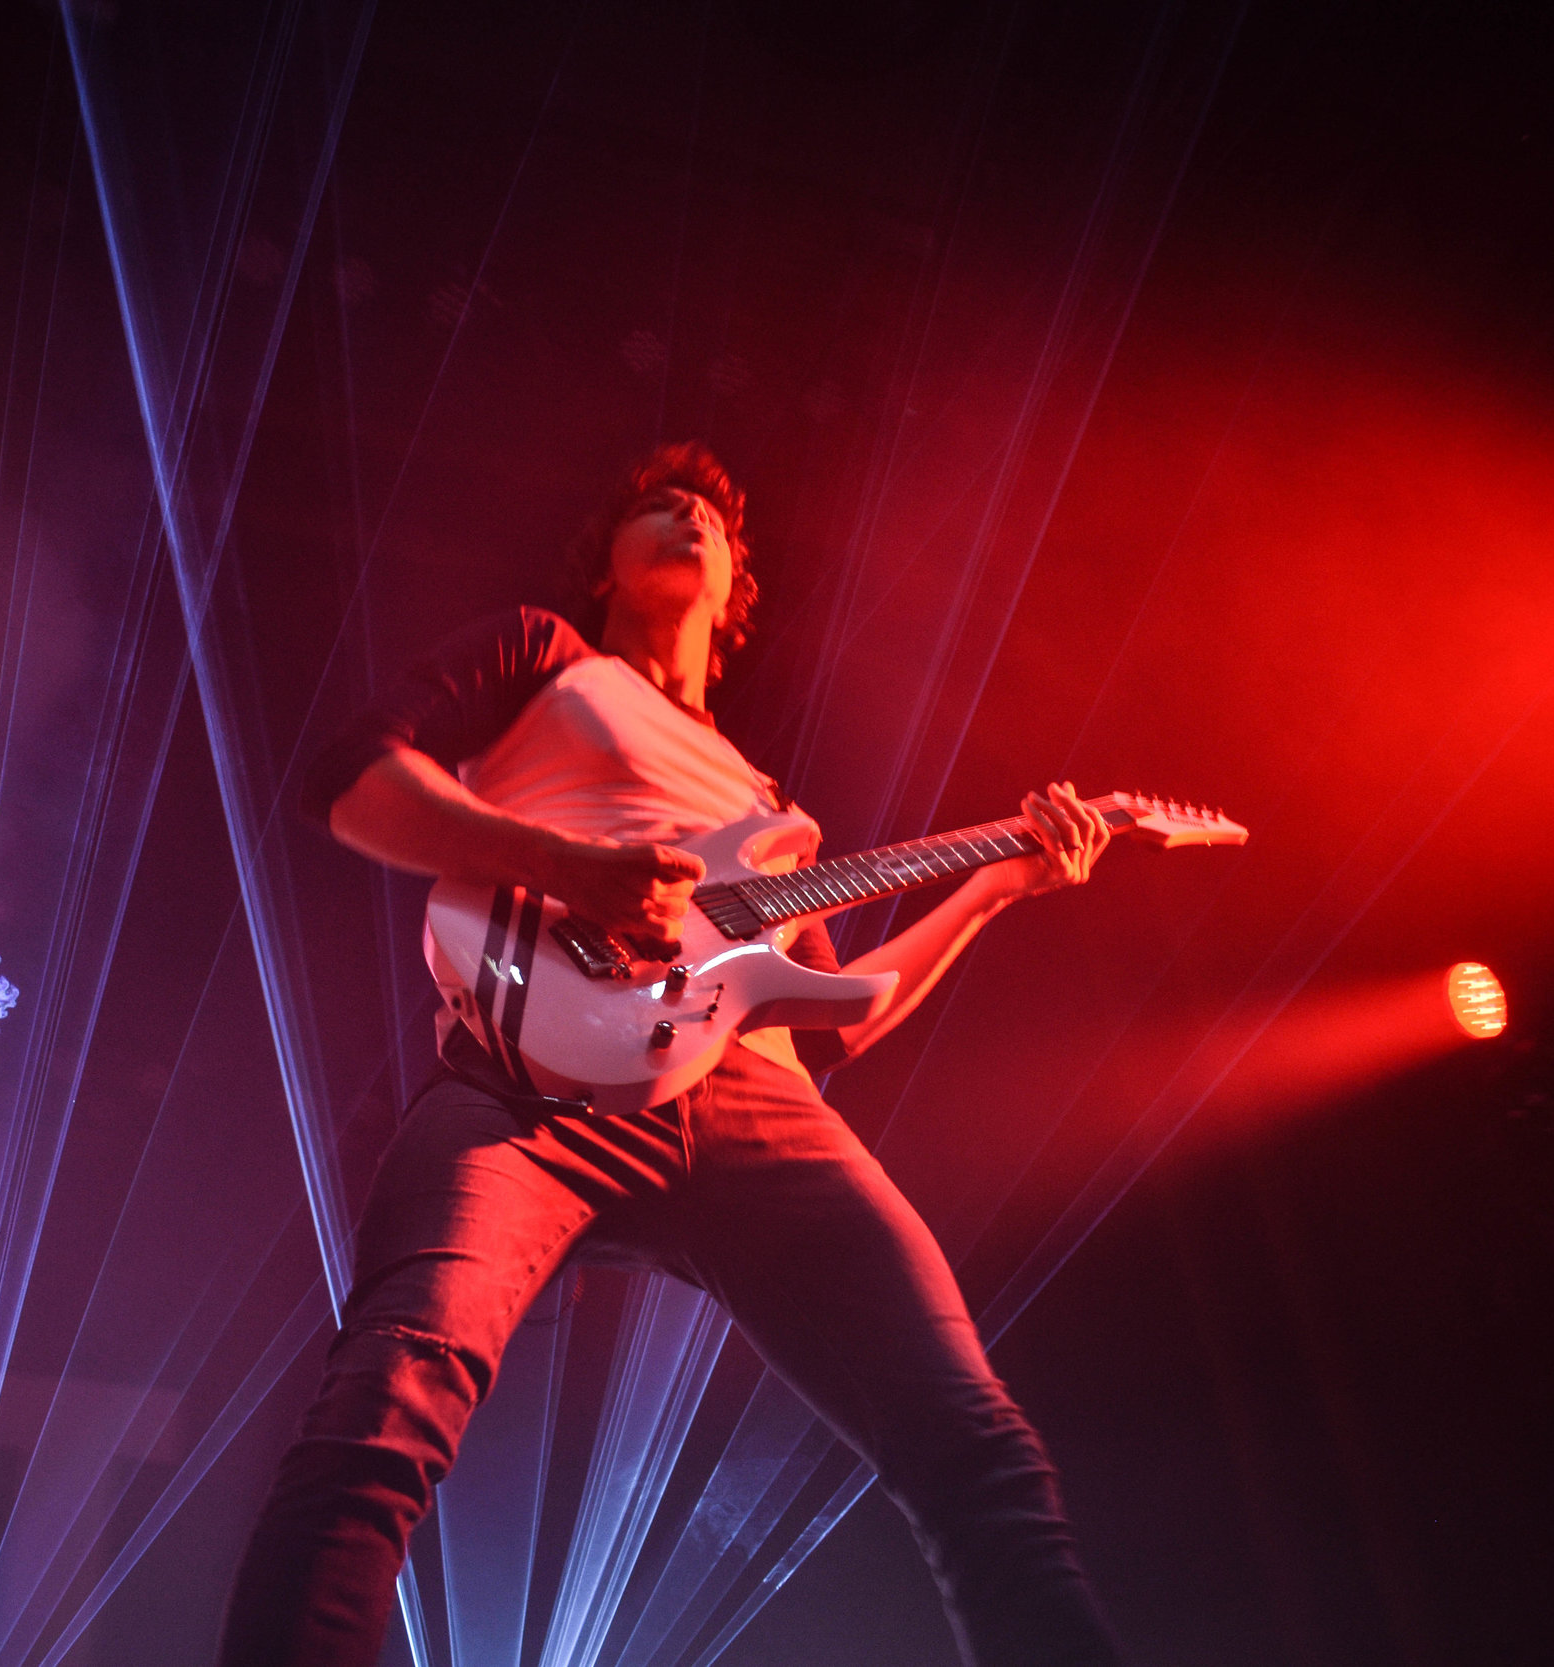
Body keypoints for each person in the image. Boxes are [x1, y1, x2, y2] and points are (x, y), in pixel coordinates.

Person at [220, 442, 1121, 1666]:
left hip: (755, 1099)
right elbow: (348, 780)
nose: (688, 511)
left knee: (975, 1446)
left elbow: (837, 1018)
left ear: (737, 583)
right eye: (656, 502)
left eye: (707, 511)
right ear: (607, 560)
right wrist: (569, 867)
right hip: (522, 1084)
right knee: (386, 1401)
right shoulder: (548, 655)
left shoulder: (764, 799)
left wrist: (1000, 884)